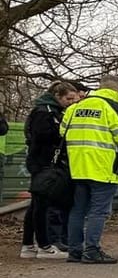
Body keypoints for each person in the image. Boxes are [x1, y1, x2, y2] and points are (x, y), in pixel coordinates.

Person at [60, 79, 118, 263]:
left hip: (77, 167)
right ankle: (92, 250)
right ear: (116, 90)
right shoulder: (115, 107)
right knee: (98, 211)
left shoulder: (74, 107)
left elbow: (63, 132)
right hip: (103, 166)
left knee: (78, 210)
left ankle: (74, 250)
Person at [22, 81, 81, 258]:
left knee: (36, 206)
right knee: (41, 206)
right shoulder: (45, 112)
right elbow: (42, 136)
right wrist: (61, 132)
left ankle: (28, 245)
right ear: (58, 97)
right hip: (44, 163)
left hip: (43, 162)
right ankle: (44, 246)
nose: (71, 102)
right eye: (68, 99)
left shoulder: (51, 111)